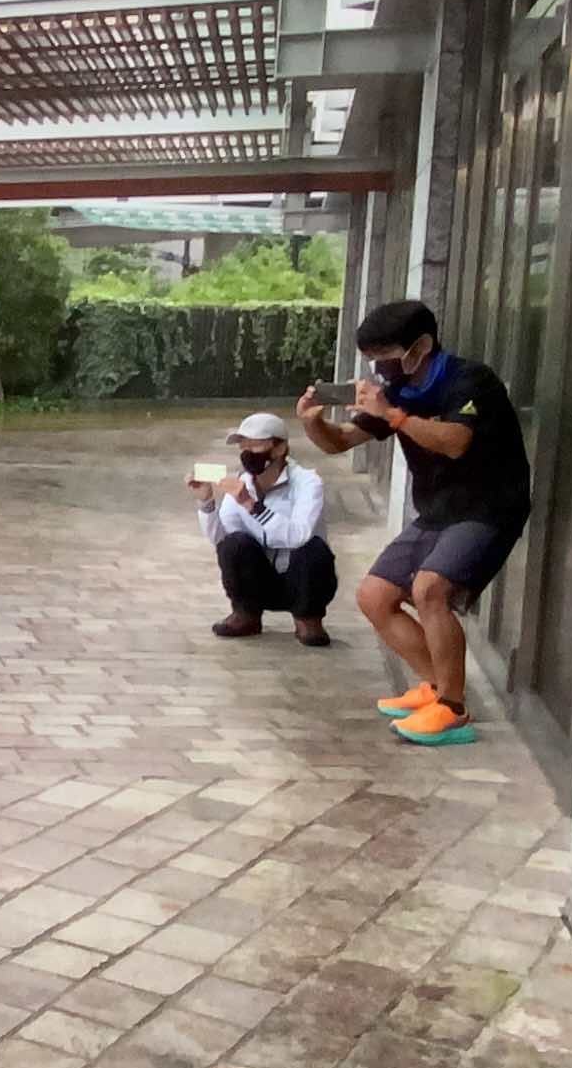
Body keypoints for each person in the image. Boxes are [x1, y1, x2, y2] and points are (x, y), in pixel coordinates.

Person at [295, 298, 531, 746]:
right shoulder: (398, 392)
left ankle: (453, 710)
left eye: (385, 356)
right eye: (371, 359)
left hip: (490, 508)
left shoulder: (470, 381)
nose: (379, 368)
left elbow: (455, 442)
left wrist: (392, 414)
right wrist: (313, 423)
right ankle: (437, 687)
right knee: (375, 596)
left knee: (430, 589)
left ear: (419, 347)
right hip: (438, 512)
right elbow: (340, 442)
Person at [195, 411, 335, 645]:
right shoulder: (242, 483)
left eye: (256, 445)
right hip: (259, 579)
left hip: (301, 579)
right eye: (243, 446)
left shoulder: (308, 482)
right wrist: (206, 502)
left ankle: (308, 618)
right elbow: (223, 539)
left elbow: (298, 535)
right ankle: (246, 613)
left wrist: (253, 506)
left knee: (312, 548)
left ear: (279, 448)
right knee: (233, 544)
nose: (248, 453)